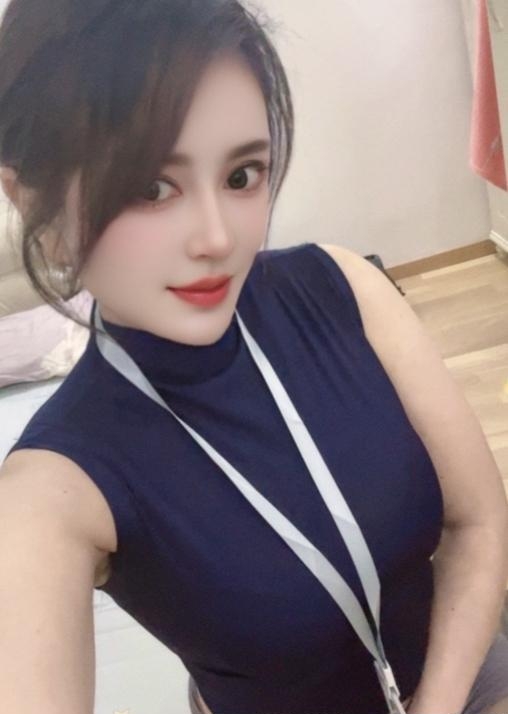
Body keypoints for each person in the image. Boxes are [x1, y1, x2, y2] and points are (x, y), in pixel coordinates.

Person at [0, 1, 507, 713]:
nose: (218, 238)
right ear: (34, 202)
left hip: (465, 667)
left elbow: (479, 522)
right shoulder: (50, 487)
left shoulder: (342, 288)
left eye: (242, 175)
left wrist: (441, 703)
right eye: (151, 188)